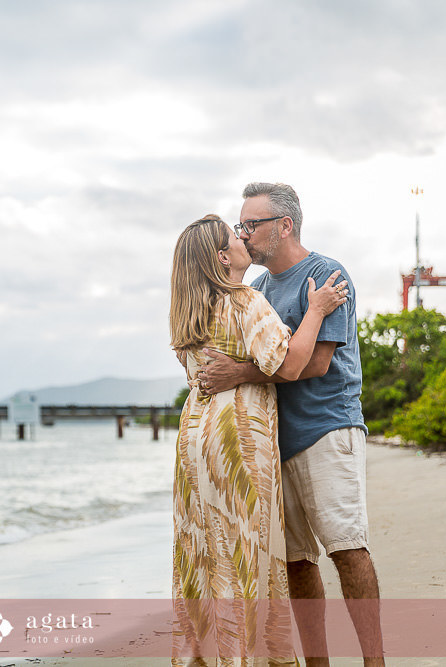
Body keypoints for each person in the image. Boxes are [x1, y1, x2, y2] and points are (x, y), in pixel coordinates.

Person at [197, 183, 384, 667]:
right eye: (241, 226)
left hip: (327, 428)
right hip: (275, 440)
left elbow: (315, 364)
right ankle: (318, 662)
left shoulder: (325, 275)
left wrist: (237, 372)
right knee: (298, 561)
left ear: (285, 226)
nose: (243, 234)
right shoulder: (257, 290)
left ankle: (374, 661)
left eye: (250, 225)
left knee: (346, 547)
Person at [169, 214, 347, 666]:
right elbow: (288, 363)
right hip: (237, 436)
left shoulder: (189, 312)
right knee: (244, 551)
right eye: (236, 235)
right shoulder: (244, 299)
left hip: (194, 437)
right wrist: (317, 311)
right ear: (222, 257)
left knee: (202, 550)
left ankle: (202, 657)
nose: (244, 236)